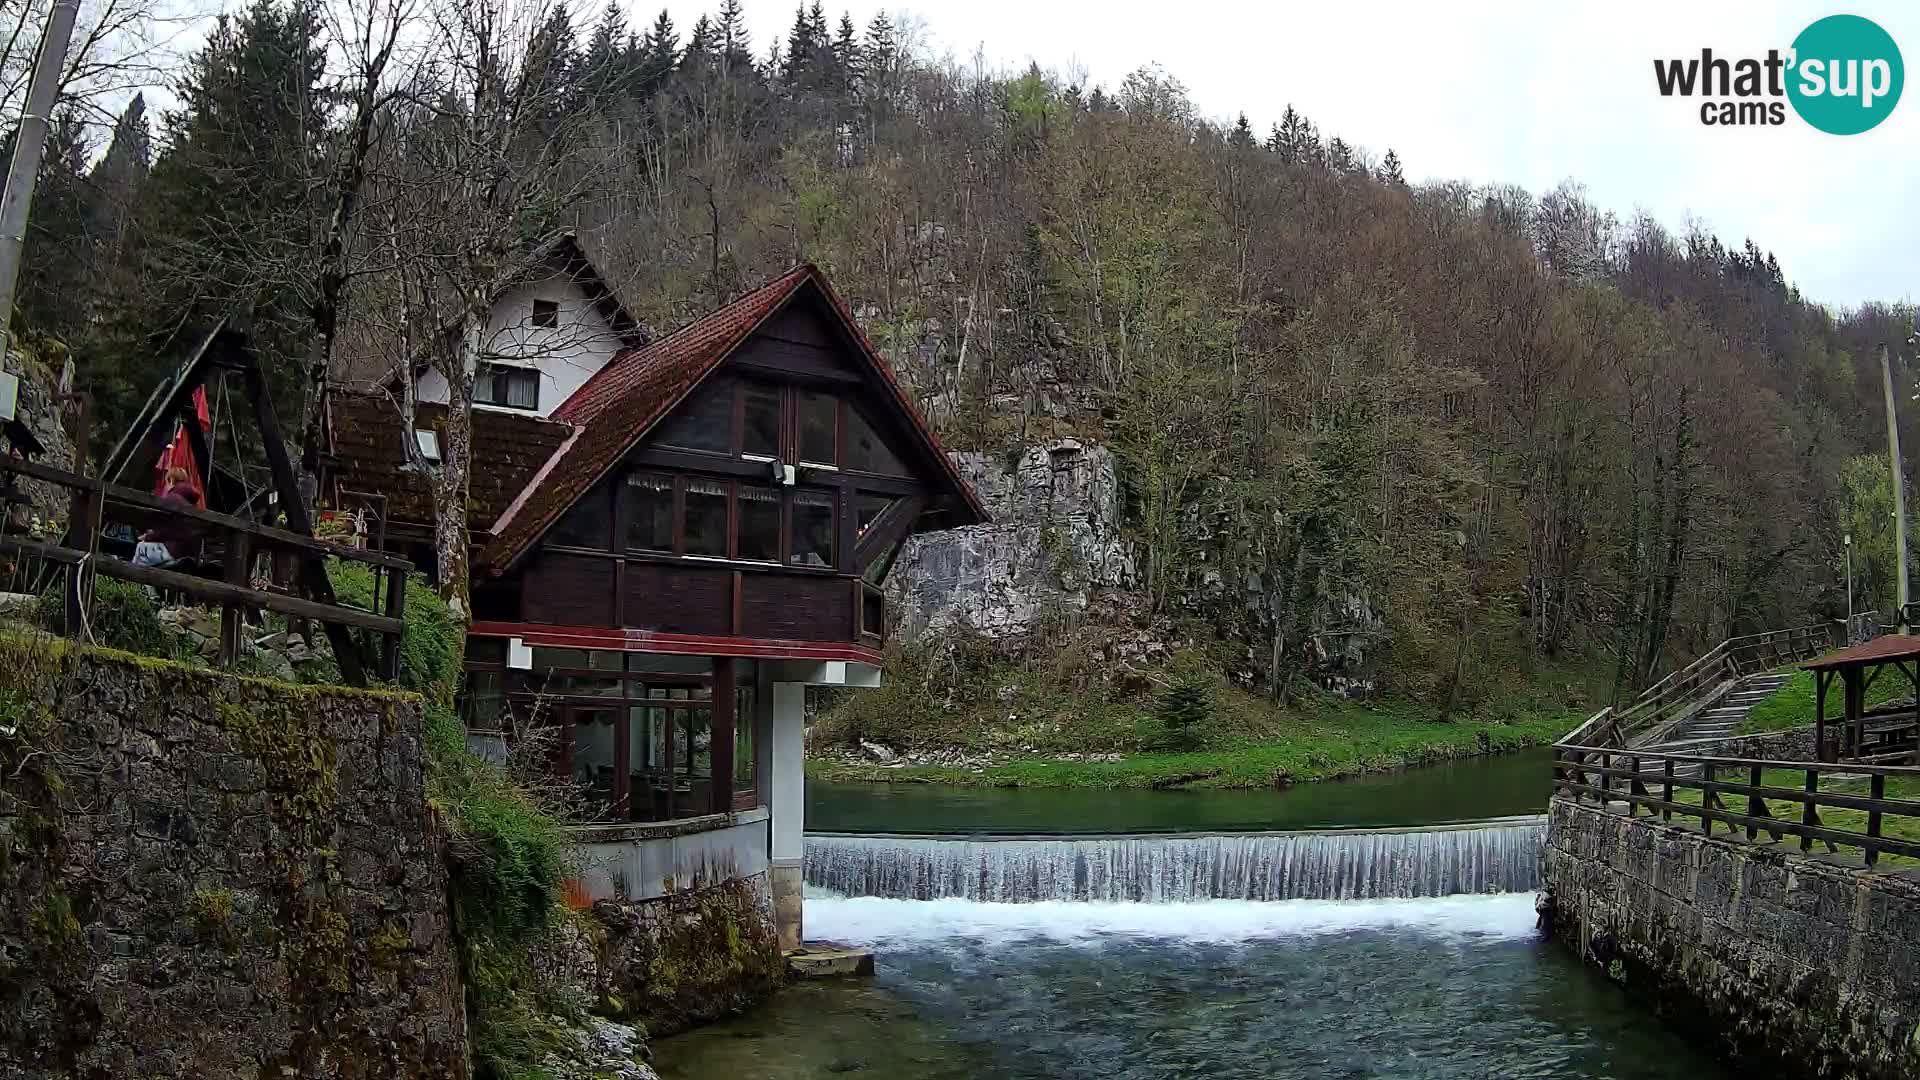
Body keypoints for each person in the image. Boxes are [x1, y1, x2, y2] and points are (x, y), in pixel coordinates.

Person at [132, 466, 202, 567]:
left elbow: (164, 531)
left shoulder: (172, 499)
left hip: (172, 551)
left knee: (141, 547)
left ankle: (130, 578)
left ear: (171, 480)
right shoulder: (192, 503)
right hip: (188, 553)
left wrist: (147, 536)